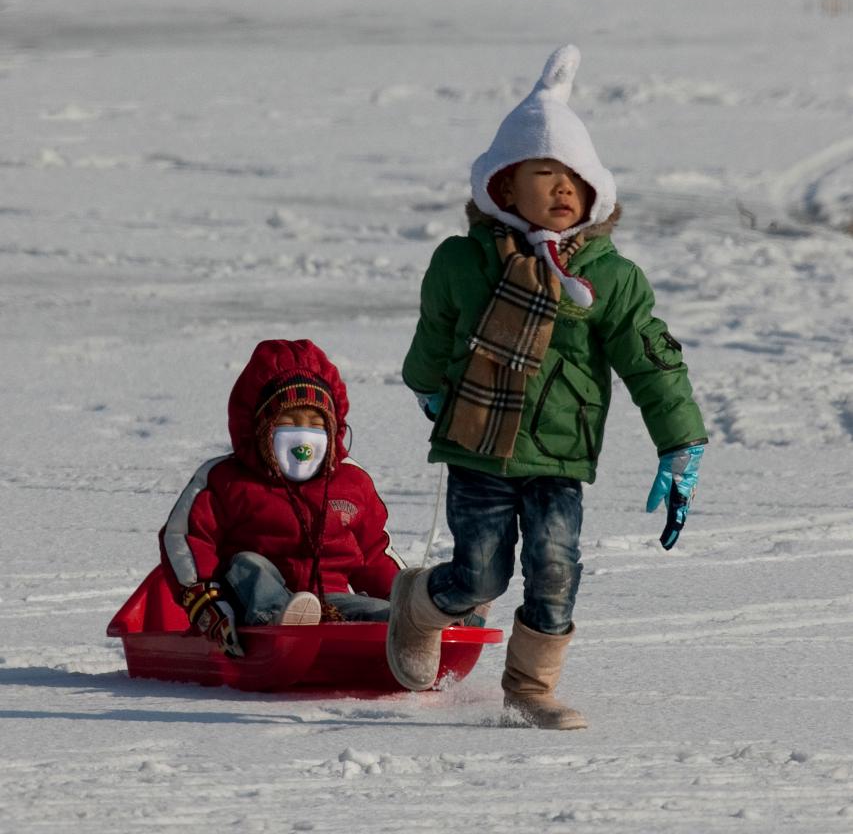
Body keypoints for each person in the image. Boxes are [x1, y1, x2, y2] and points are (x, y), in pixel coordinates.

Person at [387, 44, 707, 728]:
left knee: (555, 568)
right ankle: (418, 603)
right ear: (503, 187)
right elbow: (434, 333)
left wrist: (679, 441)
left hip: (558, 453)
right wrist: (427, 386)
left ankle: (529, 686)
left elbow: (652, 362)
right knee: (480, 577)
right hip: (477, 446)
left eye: (578, 178)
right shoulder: (462, 261)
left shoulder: (609, 279)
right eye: (546, 173)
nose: (565, 189)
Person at [160, 338, 404, 656]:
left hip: (328, 601)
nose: (303, 435)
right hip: (253, 610)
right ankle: (280, 622)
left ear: (333, 430)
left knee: (380, 613)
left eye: (316, 424)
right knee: (248, 564)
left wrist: (404, 596)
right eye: (287, 423)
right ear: (260, 428)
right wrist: (209, 602)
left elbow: (373, 555)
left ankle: (422, 626)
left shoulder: (350, 483)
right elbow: (187, 539)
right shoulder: (227, 481)